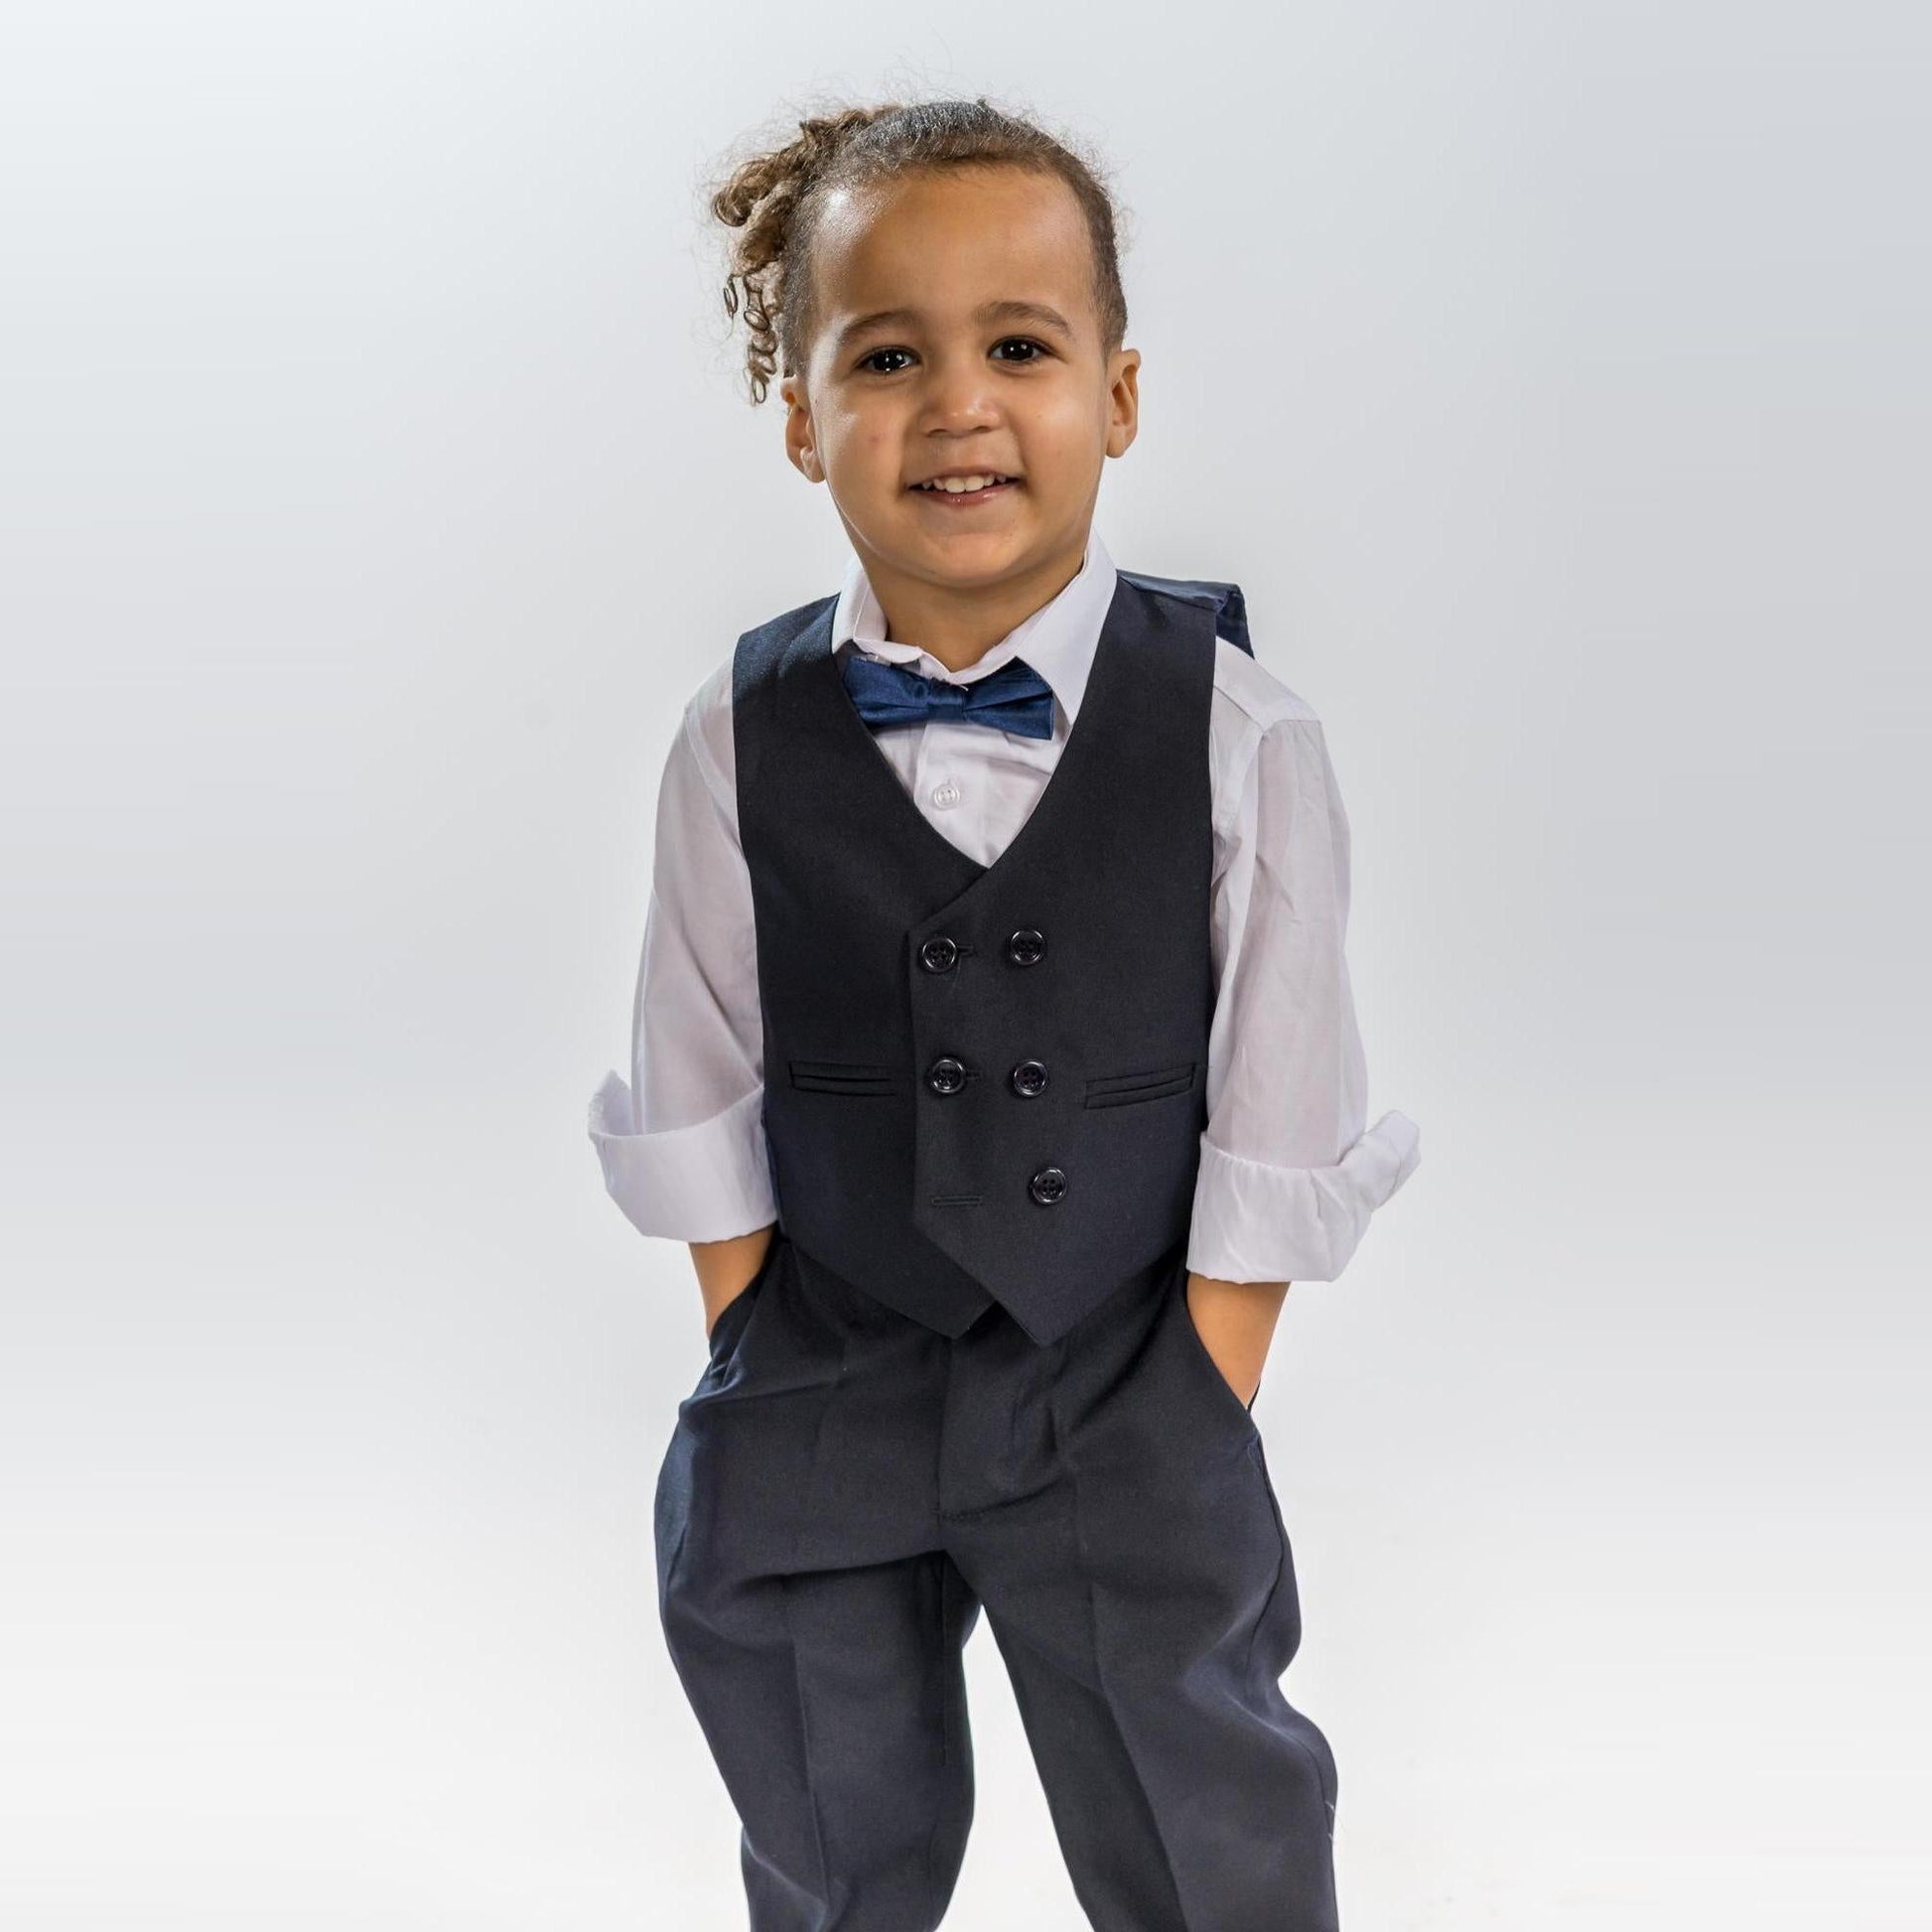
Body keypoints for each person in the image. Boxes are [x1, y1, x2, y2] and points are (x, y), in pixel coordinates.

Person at [588, 94, 1421, 1931]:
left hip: (1119, 1379)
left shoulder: (1238, 731)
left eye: (1020, 349)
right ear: (801, 416)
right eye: (887, 357)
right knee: (825, 1814)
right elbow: (697, 1067)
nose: (957, 404)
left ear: (1115, 396)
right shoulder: (735, 734)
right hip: (825, 1366)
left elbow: (1281, 1099)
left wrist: (1194, 1387)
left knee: (1206, 1820)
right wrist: (761, 1346)